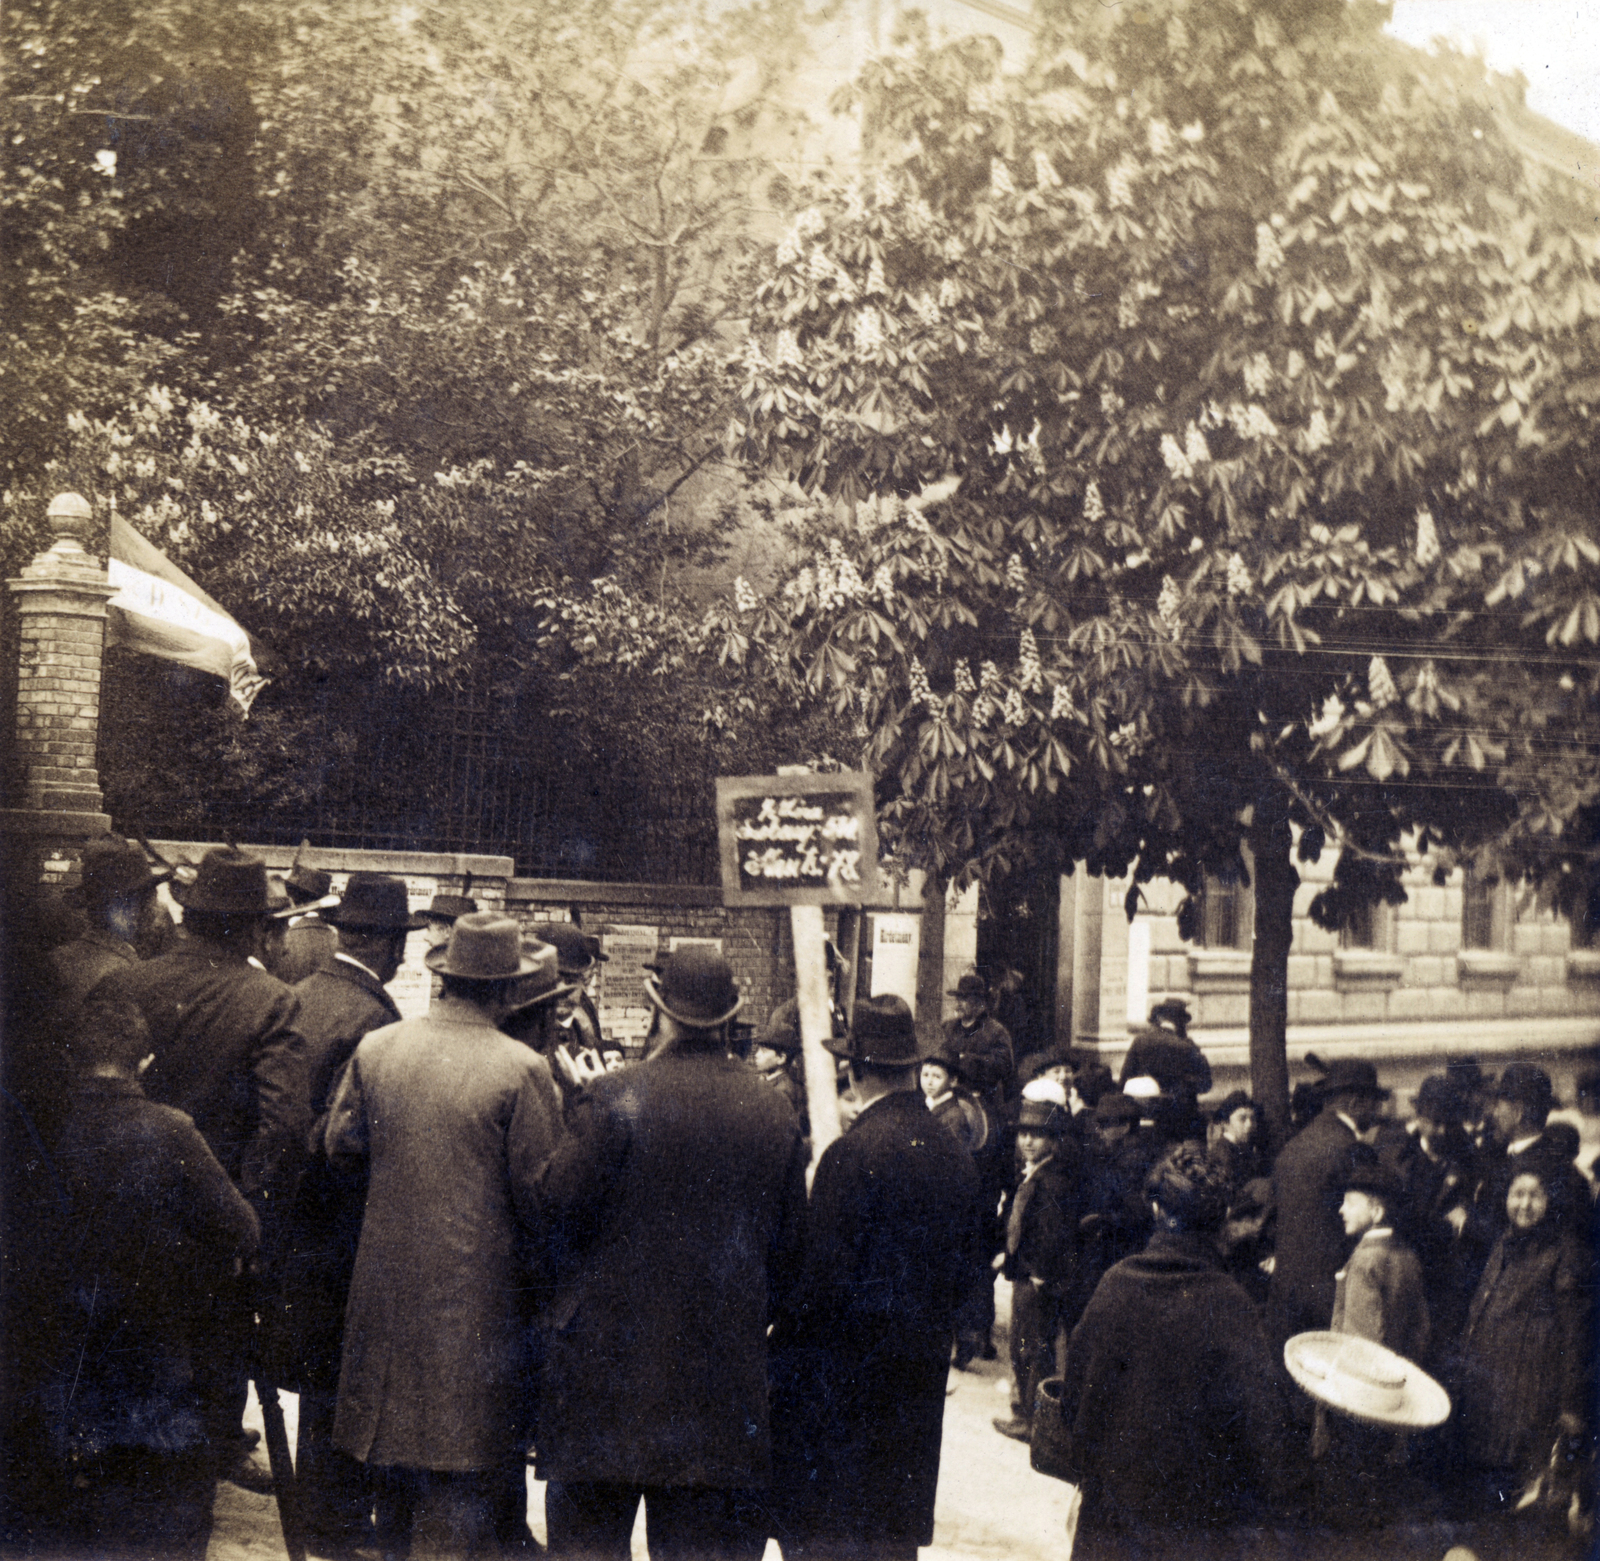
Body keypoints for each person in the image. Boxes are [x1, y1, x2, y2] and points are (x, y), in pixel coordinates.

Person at [535, 947, 807, 1561]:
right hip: (717, 1391)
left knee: (587, 1549)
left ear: (659, 1011)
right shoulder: (772, 1110)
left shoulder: (612, 1096)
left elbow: (555, 1210)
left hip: (603, 1382)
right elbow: (791, 1258)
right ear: (730, 1018)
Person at [325, 913, 564, 1557]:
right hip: (473, 1312)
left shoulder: (380, 1047)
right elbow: (541, 1196)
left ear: (446, 977)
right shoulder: (521, 1069)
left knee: (392, 1492)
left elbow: (341, 1146)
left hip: (383, 1301)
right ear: (509, 991)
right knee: (455, 1491)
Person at [91, 845, 310, 1491]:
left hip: (119, 1217)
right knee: (213, 1365)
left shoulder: (126, 982)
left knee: (123, 1367)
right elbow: (285, 1126)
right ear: (249, 926)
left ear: (190, 914)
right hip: (216, 1230)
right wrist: (248, 1215)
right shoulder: (272, 1000)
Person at [41, 993, 260, 1559]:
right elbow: (240, 1228)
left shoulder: (45, 1126)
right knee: (166, 1502)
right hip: (154, 1346)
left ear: (70, 1060)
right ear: (146, 1062)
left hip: (60, 1345)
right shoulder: (170, 1129)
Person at [769, 996, 979, 1561]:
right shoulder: (955, 1154)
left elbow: (817, 1290)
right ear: (912, 1069)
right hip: (914, 1392)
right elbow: (968, 1276)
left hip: (841, 1399)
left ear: (856, 1072)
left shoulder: (852, 1155)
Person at [265, 872, 425, 1554]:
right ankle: (332, 1520)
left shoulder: (295, 994)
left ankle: (316, 1511)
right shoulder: (374, 1019)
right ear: (387, 944)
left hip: (289, 1220)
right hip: (341, 1226)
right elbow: (357, 1141)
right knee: (341, 1376)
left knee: (313, 1375)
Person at [1054, 1143, 1291, 1560]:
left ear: (1156, 1210)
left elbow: (1073, 1403)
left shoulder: (1115, 1286)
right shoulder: (1231, 1306)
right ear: (1221, 1221)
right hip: (1194, 1531)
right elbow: (1262, 1436)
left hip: (1110, 1523)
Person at [1455, 1154, 1592, 1514]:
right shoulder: (1504, 1242)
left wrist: (1571, 1406)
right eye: (1517, 1194)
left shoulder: (1564, 1253)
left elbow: (1574, 1334)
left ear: (1552, 1201)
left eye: (1535, 1196)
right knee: (1484, 1486)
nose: (1524, 1205)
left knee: (1514, 1488)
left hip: (1530, 1390)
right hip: (1491, 1385)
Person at [1312, 1157, 1431, 1525]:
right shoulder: (1407, 1256)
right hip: (1394, 1391)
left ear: (1377, 1211)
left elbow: (1361, 1343)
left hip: (1361, 1396)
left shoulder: (1365, 1260)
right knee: (1379, 1478)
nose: (1341, 1209)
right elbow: (1422, 1328)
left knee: (1350, 1484)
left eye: (1350, 1201)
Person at [1268, 1058, 1388, 1356]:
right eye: (1373, 1104)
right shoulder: (1353, 1151)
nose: (1376, 1113)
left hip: (1285, 1297)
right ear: (1356, 1101)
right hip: (1332, 1301)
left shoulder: (1292, 1147)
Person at [992, 1080, 1082, 1443]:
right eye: (1024, 1134)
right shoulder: (1031, 1174)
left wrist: (1041, 1272)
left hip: (1038, 1279)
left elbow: (1053, 1232)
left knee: (1032, 1348)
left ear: (1054, 1140)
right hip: (1025, 1272)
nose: (1027, 1141)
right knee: (1023, 1345)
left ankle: (1032, 1419)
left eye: (1038, 1135)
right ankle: (1026, 1413)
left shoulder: (1053, 1182)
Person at [941, 971, 1015, 1112]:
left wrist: (969, 1061)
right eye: (958, 998)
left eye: (965, 999)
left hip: (984, 1103)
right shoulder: (948, 1028)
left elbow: (1005, 1067)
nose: (959, 1004)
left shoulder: (996, 1032)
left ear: (979, 1002)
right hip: (950, 1101)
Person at [1208, 1090, 1263, 1191]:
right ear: (1225, 1123)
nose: (1250, 1124)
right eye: (1242, 1119)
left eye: (1253, 1118)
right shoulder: (1223, 1154)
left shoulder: (1246, 1148)